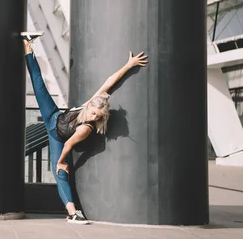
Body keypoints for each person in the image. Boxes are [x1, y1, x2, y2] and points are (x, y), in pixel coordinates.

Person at [21, 32, 148, 224]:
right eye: (94, 112)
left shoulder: (87, 128)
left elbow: (68, 145)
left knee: (60, 173)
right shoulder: (89, 104)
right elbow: (108, 83)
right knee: (39, 84)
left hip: (58, 136)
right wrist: (128, 65)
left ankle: (73, 213)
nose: (94, 116)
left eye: (98, 116)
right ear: (90, 106)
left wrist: (61, 162)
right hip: (53, 115)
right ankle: (28, 46)